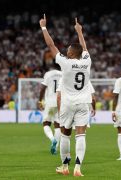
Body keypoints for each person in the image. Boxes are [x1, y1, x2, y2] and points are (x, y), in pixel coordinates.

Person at [39, 14, 91, 176]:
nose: (66, 50)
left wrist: (43, 27)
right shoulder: (87, 61)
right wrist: (79, 31)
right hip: (83, 103)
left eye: (68, 49)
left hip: (68, 103)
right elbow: (85, 48)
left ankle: (65, 166)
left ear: (70, 54)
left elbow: (50, 44)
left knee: (65, 134)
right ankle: (78, 168)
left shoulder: (65, 62)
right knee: (81, 134)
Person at [37, 62, 62, 155]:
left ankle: (52, 140)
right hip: (60, 103)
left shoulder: (48, 74)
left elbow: (43, 88)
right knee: (58, 125)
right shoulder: (63, 74)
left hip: (50, 102)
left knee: (46, 123)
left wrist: (40, 101)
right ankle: (55, 147)